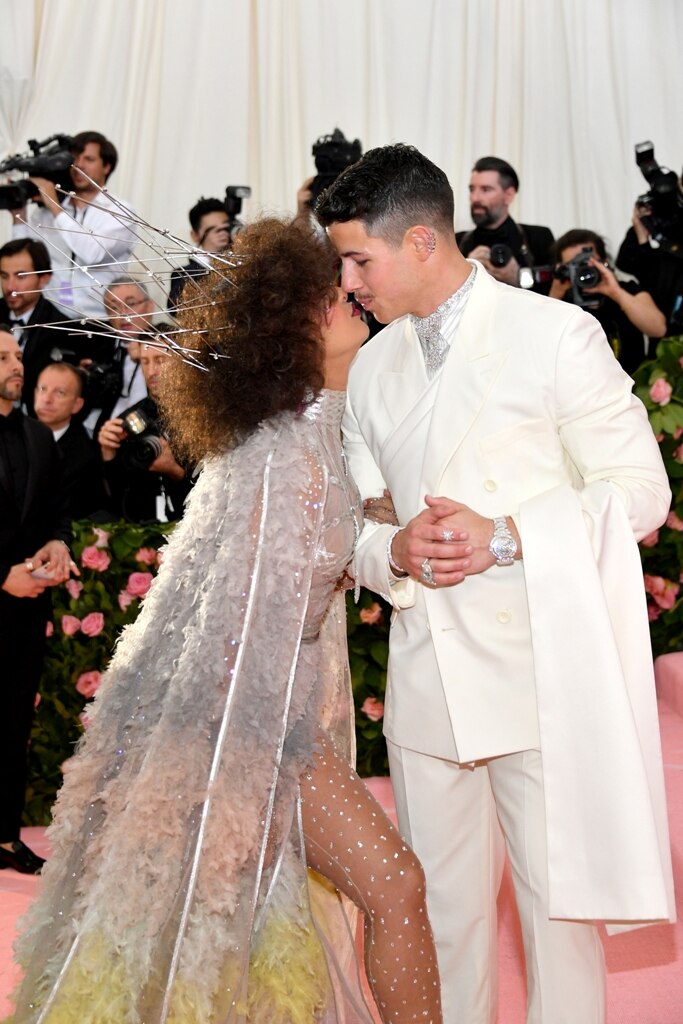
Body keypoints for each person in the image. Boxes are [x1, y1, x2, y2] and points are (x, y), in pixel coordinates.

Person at [8, 218, 443, 1024]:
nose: (350, 296)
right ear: (292, 330)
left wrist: (372, 527)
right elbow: (230, 623)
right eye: (328, 294)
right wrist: (240, 774)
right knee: (391, 887)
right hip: (249, 733)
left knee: (243, 939)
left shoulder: (305, 438)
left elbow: (302, 562)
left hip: (266, 727)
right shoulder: (285, 454)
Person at [316, 143, 675, 1024]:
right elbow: (354, 528)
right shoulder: (369, 367)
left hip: (544, 675)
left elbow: (641, 493)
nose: (348, 281)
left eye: (359, 259)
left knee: (560, 921)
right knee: (440, 924)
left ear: (423, 242)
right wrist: (395, 551)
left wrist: (505, 537)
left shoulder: (553, 333)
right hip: (427, 679)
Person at [0, 327, 77, 876]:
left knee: (11, 725)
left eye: (16, 355)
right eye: (3, 357)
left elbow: (55, 514)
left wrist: (57, 543)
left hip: (25, 612)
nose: (16, 364)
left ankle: (3, 836)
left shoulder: (35, 435)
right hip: (3, 591)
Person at [8, 131, 137, 318]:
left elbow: (93, 253)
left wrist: (54, 205)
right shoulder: (47, 213)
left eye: (89, 159)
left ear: (107, 167)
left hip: (99, 322)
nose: (79, 165)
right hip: (52, 318)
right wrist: (18, 215)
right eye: (74, 158)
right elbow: (25, 259)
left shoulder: (120, 210)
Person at [96, 341, 191, 522]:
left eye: (160, 360)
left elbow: (217, 496)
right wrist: (108, 453)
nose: (151, 371)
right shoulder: (131, 419)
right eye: (145, 362)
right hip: (141, 528)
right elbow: (118, 497)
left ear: (181, 361)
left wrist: (175, 471)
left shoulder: (202, 418)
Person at [549, 228, 666, 375]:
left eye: (587, 262)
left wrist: (615, 292)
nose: (583, 271)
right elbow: (541, 345)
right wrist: (555, 295)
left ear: (603, 262)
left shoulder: (626, 289)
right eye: (573, 265)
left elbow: (658, 329)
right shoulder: (559, 301)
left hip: (632, 387)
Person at [0, 239, 81, 413]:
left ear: (43, 278)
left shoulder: (61, 328)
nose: (10, 286)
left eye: (20, 276)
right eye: (4, 276)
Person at [456, 156, 555, 291]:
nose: (475, 198)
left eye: (486, 189)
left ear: (509, 195)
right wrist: (465, 270)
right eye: (472, 189)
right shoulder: (457, 242)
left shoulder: (538, 238)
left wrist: (518, 279)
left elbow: (555, 296)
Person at [34, 362, 108, 519]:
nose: (47, 399)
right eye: (43, 389)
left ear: (77, 405)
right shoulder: (13, 437)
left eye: (59, 393)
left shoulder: (85, 456)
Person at [166, 196, 231, 311]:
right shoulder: (183, 274)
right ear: (195, 235)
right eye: (212, 229)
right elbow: (176, 307)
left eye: (226, 227)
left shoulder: (244, 262)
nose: (222, 233)